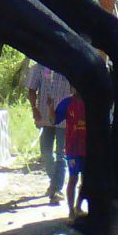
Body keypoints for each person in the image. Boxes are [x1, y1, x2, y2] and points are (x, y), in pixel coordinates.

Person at [25, 62, 71, 205]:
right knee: (45, 152)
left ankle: (57, 189)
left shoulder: (69, 65)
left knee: (61, 154)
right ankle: (54, 181)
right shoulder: (40, 65)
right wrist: (34, 109)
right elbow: (31, 90)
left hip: (64, 118)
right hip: (45, 116)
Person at [54, 88, 87, 222]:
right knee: (73, 178)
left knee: (86, 181)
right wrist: (50, 108)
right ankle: (70, 211)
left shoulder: (92, 101)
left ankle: (78, 207)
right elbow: (54, 119)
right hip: (73, 149)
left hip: (88, 148)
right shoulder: (67, 102)